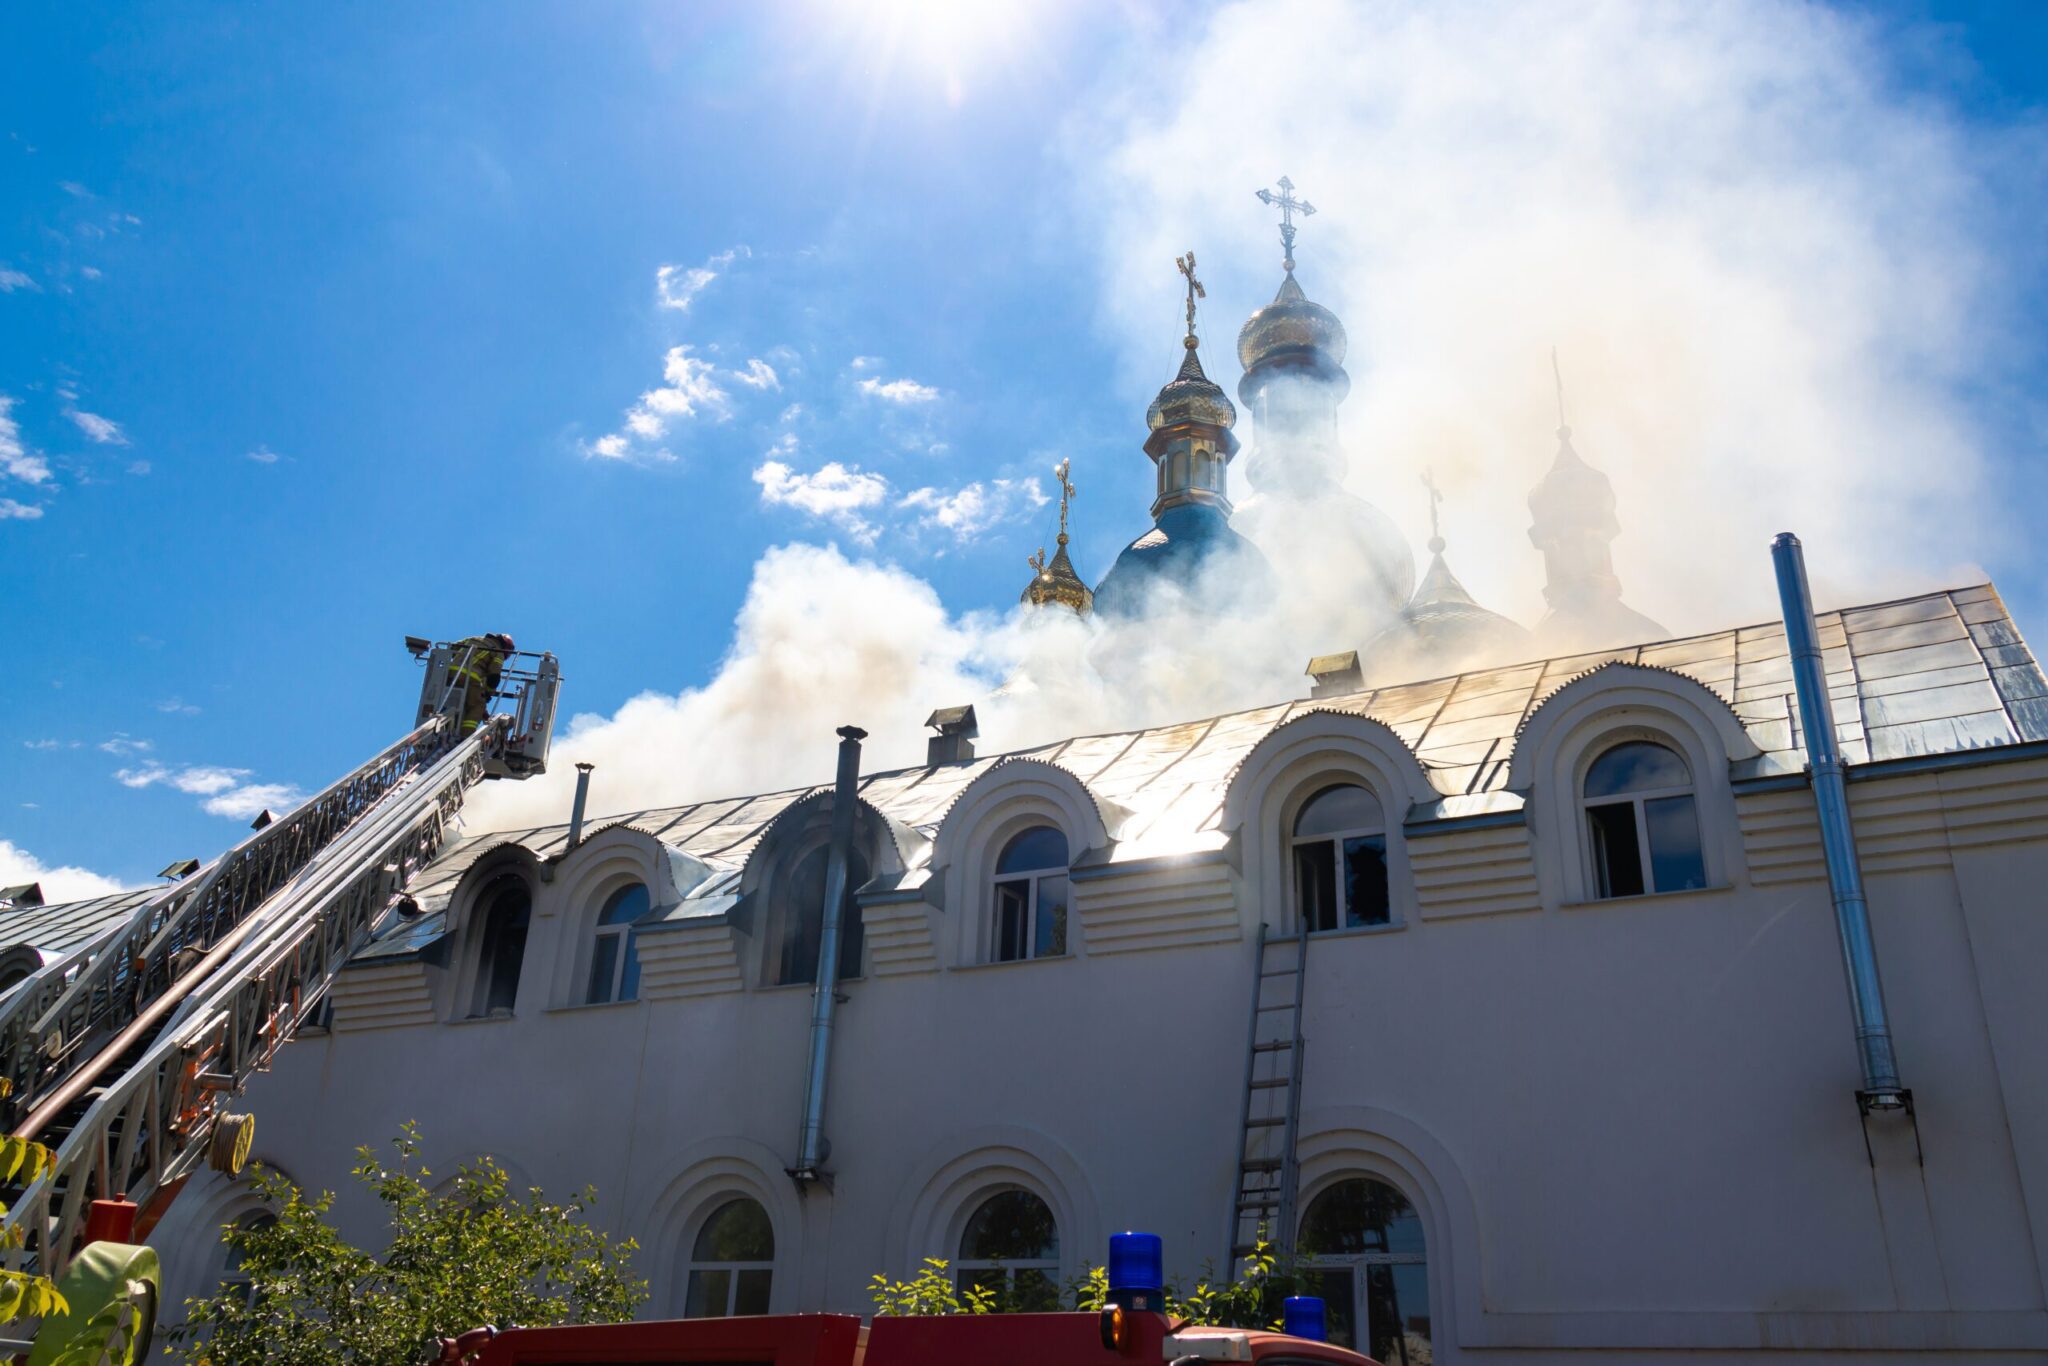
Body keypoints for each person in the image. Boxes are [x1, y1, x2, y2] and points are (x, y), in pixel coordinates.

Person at [445, 633, 514, 735]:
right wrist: (487, 694)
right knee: (477, 706)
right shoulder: (498, 652)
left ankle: (448, 728)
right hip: (469, 679)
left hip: (448, 677)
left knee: (454, 704)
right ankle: (465, 736)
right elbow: (494, 677)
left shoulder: (473, 638)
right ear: (506, 647)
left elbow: (451, 648)